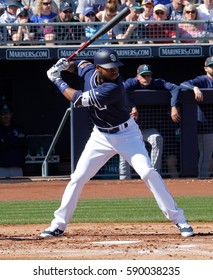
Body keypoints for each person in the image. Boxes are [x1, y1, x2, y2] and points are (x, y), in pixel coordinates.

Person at [40, 47, 194, 238]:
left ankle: (180, 220)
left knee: (148, 172)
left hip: (127, 134)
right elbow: (79, 65)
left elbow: (78, 100)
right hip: (100, 137)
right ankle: (58, 225)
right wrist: (66, 65)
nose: (115, 70)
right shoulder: (89, 70)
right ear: (98, 68)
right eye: (109, 67)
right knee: (78, 178)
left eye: (116, 66)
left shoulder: (114, 87)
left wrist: (57, 79)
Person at [119, 64, 181, 178]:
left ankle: (154, 175)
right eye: (143, 76)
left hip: (147, 128)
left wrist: (173, 107)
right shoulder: (131, 82)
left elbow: (175, 88)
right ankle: (124, 180)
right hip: (130, 128)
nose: (146, 78)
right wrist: (132, 106)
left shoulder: (156, 82)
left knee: (157, 138)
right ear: (138, 76)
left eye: (148, 75)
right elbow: (121, 91)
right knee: (123, 149)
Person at [180, 56, 213, 178]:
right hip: (206, 125)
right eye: (211, 66)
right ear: (205, 68)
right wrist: (194, 88)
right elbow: (183, 84)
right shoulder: (202, 80)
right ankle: (202, 180)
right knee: (206, 155)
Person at [0, 102, 27, 177]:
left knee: (20, 187)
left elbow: (24, 144)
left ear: (11, 114)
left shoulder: (19, 129)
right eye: (3, 113)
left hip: (17, 167)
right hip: (2, 167)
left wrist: (6, 140)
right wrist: (14, 140)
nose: (6, 116)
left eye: (8, 113)